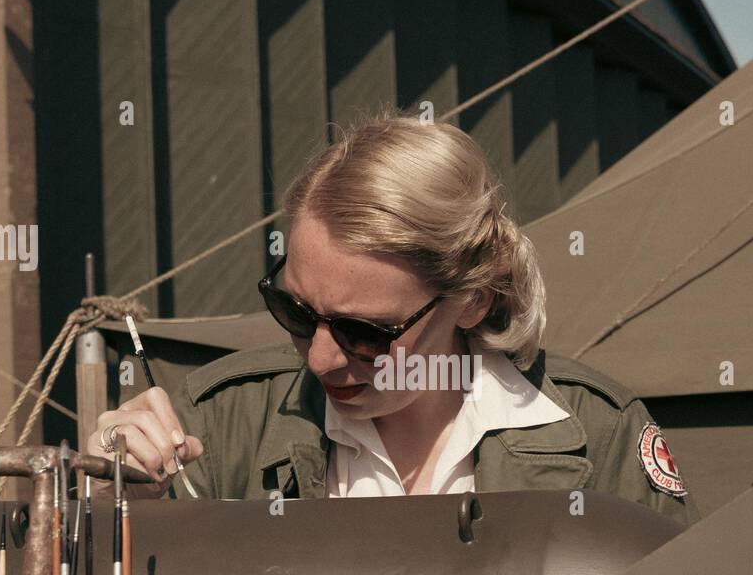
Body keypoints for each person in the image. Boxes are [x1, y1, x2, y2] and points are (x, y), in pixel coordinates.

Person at [87, 115, 698, 528]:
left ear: (475, 299)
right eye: (294, 312)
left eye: (366, 333)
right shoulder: (219, 428)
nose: (323, 357)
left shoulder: (596, 439)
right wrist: (108, 500)